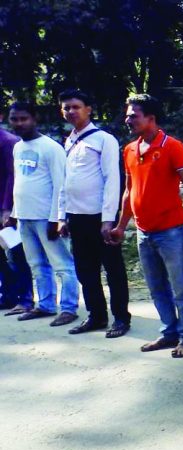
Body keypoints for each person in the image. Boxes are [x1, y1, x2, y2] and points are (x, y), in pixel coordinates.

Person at [108, 94, 183, 358]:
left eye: (133, 115)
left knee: (180, 286)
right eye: (127, 115)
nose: (128, 120)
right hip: (143, 231)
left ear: (151, 118)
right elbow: (129, 191)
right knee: (156, 286)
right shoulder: (128, 150)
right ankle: (168, 332)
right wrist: (120, 226)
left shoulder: (172, 146)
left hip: (170, 230)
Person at [57, 89, 132, 337]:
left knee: (113, 269)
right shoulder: (68, 141)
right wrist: (62, 217)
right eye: (66, 107)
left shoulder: (104, 139)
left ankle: (121, 318)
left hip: (100, 217)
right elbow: (64, 182)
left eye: (75, 106)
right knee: (85, 270)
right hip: (76, 217)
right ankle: (96, 316)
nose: (70, 111)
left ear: (89, 109)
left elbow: (112, 180)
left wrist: (108, 219)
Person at [5, 102, 80, 327]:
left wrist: (57, 219)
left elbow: (61, 185)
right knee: (36, 264)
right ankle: (46, 305)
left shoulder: (50, 147)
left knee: (62, 264)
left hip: (46, 218)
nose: (19, 123)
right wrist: (14, 214)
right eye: (14, 119)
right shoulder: (18, 147)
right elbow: (21, 181)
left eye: (23, 119)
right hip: (25, 218)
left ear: (34, 119)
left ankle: (68, 308)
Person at [0, 107, 34, 317]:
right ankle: (8, 295)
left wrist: (6, 209)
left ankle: (25, 298)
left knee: (15, 255)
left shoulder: (8, 142)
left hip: (7, 210)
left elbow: (12, 178)